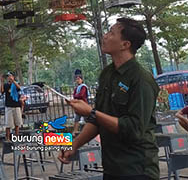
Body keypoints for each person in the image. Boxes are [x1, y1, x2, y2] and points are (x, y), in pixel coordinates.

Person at [59, 18, 160, 180]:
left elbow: (134, 129)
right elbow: (97, 121)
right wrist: (74, 145)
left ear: (125, 44)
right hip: (112, 167)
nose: (105, 36)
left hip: (137, 168)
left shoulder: (141, 79)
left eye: (111, 33)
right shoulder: (107, 74)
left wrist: (91, 112)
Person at [1, 72, 22, 141]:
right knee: (8, 124)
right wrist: (1, 82)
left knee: (17, 123)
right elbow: (2, 91)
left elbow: (19, 88)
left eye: (10, 76)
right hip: (9, 106)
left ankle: (16, 137)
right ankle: (8, 138)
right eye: (8, 77)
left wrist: (13, 81)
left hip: (16, 105)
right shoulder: (6, 85)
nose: (9, 78)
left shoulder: (16, 83)